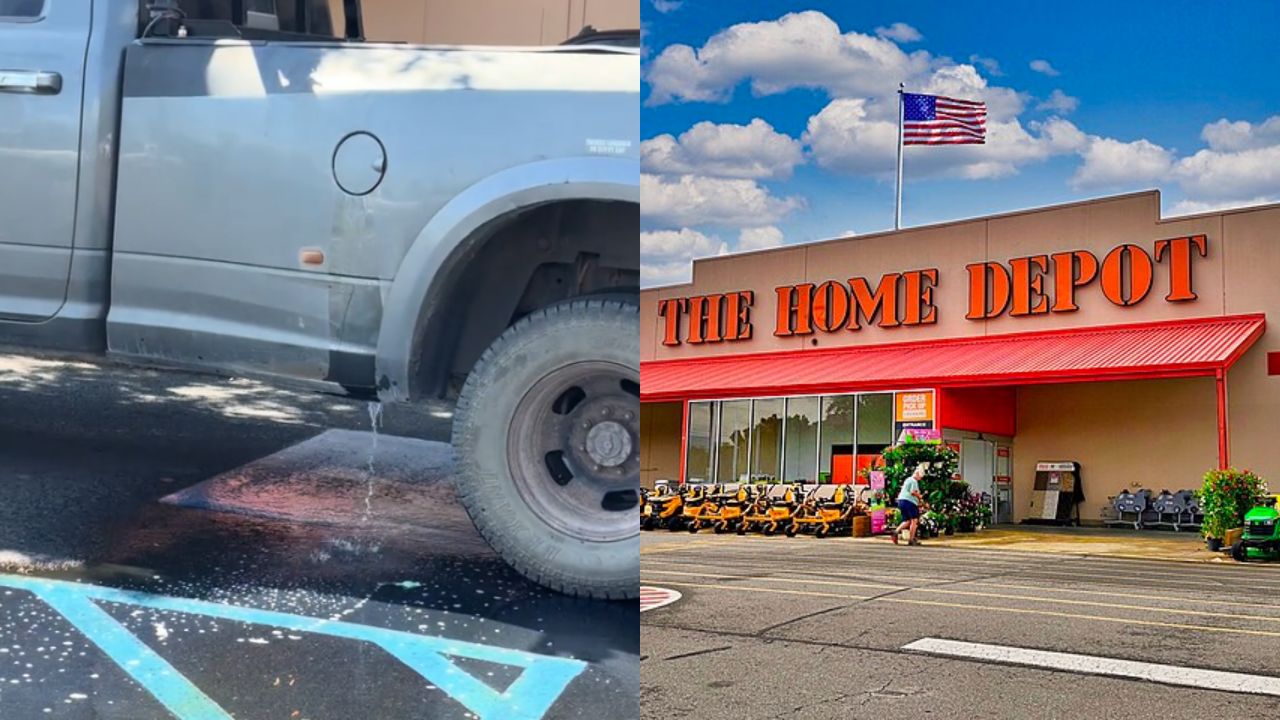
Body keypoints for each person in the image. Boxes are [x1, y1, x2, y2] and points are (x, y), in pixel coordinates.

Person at [892, 463, 927, 546]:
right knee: (914, 520)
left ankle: (895, 532)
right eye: (920, 477)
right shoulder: (914, 481)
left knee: (907, 521)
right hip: (909, 502)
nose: (920, 479)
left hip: (901, 501)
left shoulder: (908, 479)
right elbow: (913, 492)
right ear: (917, 474)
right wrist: (920, 497)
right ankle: (911, 539)